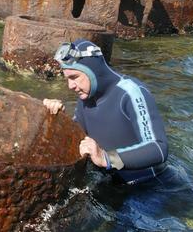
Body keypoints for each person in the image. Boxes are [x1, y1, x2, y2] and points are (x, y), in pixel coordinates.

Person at [43, 39, 169, 185]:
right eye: (67, 79)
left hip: (149, 185)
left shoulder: (131, 93)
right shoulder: (85, 97)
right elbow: (78, 140)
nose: (70, 86)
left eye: (74, 77)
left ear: (93, 71)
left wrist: (107, 159)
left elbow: (159, 149)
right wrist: (58, 118)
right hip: (109, 182)